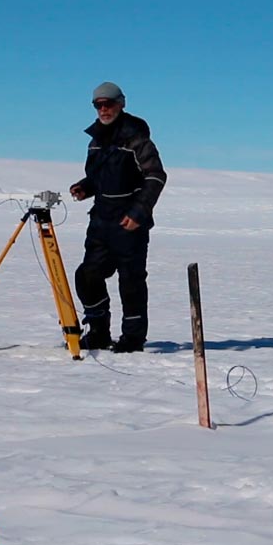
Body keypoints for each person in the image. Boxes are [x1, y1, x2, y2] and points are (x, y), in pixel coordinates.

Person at [70, 82, 167, 353]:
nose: (103, 109)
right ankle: (99, 332)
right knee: (88, 275)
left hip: (129, 223)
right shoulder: (95, 142)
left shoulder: (136, 138)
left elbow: (156, 176)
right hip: (100, 221)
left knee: (131, 281)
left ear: (121, 104)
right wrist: (85, 187)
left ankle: (133, 339)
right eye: (98, 105)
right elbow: (100, 178)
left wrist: (138, 213)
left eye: (108, 104)